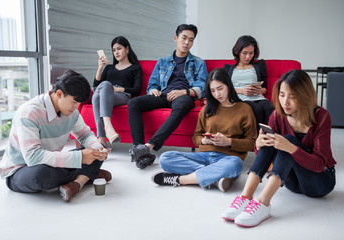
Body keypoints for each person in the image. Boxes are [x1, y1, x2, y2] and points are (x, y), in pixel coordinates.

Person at [221, 70, 336, 227]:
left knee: (287, 140)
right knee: (271, 140)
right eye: (282, 95)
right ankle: (245, 197)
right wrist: (259, 145)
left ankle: (263, 203)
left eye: (293, 96)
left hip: (319, 183)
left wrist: (291, 148)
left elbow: (319, 164)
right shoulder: (277, 116)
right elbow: (265, 156)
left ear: (305, 96)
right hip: (292, 183)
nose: (285, 102)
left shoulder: (322, 116)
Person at [0, 70, 112, 202]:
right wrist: (79, 158)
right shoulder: (29, 112)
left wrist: (98, 148)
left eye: (79, 103)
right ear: (59, 94)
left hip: (49, 162)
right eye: (74, 102)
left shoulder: (71, 112)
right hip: (21, 170)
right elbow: (32, 157)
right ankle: (88, 175)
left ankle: (78, 182)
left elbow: (85, 135)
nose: (77, 107)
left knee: (95, 154)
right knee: (41, 175)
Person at [151, 68, 257, 192]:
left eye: (220, 88)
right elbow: (196, 137)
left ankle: (180, 180)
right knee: (165, 158)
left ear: (228, 85)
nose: (217, 94)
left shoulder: (244, 109)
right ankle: (215, 177)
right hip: (203, 156)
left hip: (228, 158)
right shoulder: (206, 109)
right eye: (212, 91)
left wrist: (228, 142)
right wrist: (205, 141)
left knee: (236, 164)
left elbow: (251, 142)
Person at [128, 24, 208, 169]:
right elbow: (152, 84)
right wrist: (153, 90)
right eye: (184, 38)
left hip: (184, 96)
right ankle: (139, 148)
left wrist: (184, 92)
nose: (187, 43)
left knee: (182, 105)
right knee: (133, 104)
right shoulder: (162, 62)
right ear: (176, 38)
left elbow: (202, 88)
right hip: (164, 95)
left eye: (191, 40)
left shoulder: (198, 63)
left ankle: (149, 146)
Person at [92, 36, 142, 148]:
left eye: (119, 49)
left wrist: (119, 89)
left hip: (122, 96)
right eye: (114, 50)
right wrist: (100, 68)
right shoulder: (109, 67)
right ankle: (104, 139)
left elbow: (137, 90)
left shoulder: (135, 68)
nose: (116, 52)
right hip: (105, 92)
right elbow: (95, 87)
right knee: (99, 92)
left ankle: (102, 137)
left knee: (101, 91)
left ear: (127, 49)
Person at [223, 35, 274, 131]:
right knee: (255, 108)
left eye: (251, 53)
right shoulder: (228, 69)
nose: (248, 57)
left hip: (257, 97)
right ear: (238, 52)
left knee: (269, 106)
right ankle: (256, 139)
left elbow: (265, 89)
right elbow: (225, 89)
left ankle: (269, 139)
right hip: (240, 98)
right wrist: (242, 91)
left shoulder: (259, 66)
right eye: (244, 53)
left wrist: (259, 90)